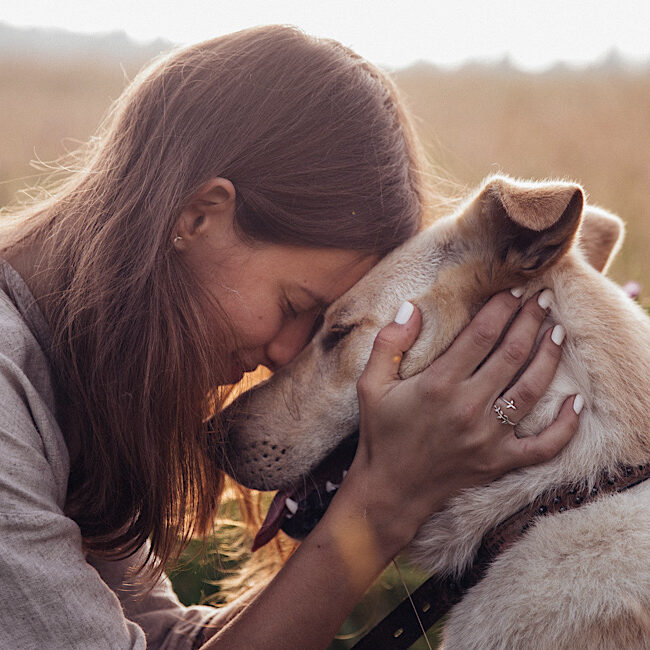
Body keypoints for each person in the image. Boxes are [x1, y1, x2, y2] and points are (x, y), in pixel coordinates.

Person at [0, 25, 581, 649]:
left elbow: (163, 643)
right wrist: (383, 504)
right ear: (199, 216)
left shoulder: (69, 375)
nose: (283, 354)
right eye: (294, 305)